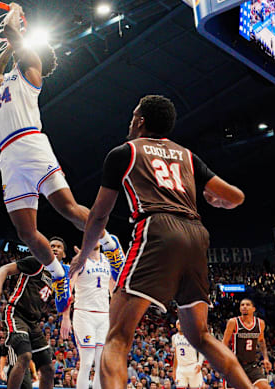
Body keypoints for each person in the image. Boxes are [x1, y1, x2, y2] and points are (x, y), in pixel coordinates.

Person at [71, 95, 253, 389]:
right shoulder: (187, 156)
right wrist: (215, 201)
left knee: (116, 338)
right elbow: (236, 196)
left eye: (133, 116)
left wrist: (81, 256)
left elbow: (98, 216)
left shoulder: (124, 152)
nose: (130, 122)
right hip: (196, 234)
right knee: (201, 336)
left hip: (157, 228)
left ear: (141, 121)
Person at [0, 2, 122, 311]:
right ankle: (58, 276)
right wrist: (7, 46)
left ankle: (111, 245)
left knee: (68, 209)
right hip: (8, 155)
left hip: (31, 143)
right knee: (25, 231)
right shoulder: (7, 80)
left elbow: (8, 29)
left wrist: (16, 13)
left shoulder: (32, 68)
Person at [0, 254, 55, 389]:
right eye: (51, 246)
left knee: (48, 368)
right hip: (16, 313)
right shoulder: (37, 262)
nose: (54, 249)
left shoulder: (58, 277)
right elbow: (4, 269)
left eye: (59, 247)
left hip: (33, 322)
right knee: (24, 355)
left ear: (64, 254)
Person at [60, 243, 115, 389]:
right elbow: (68, 289)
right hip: (84, 314)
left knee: (101, 363)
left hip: (104, 316)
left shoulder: (107, 260)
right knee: (86, 361)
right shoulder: (80, 260)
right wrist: (66, 317)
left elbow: (112, 290)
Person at [222, 299, 271, 389]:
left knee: (266, 387)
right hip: (235, 364)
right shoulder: (233, 322)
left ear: (253, 309)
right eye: (242, 305)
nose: (244, 306)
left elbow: (261, 341)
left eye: (247, 305)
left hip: (251, 365)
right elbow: (224, 343)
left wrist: (266, 358)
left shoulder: (260, 323)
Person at [173, 320, 205, 389]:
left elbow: (202, 350)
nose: (181, 325)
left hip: (192, 366)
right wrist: (174, 369)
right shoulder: (174, 337)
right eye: (179, 324)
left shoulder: (192, 336)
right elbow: (176, 355)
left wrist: (199, 363)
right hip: (180, 368)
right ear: (176, 326)